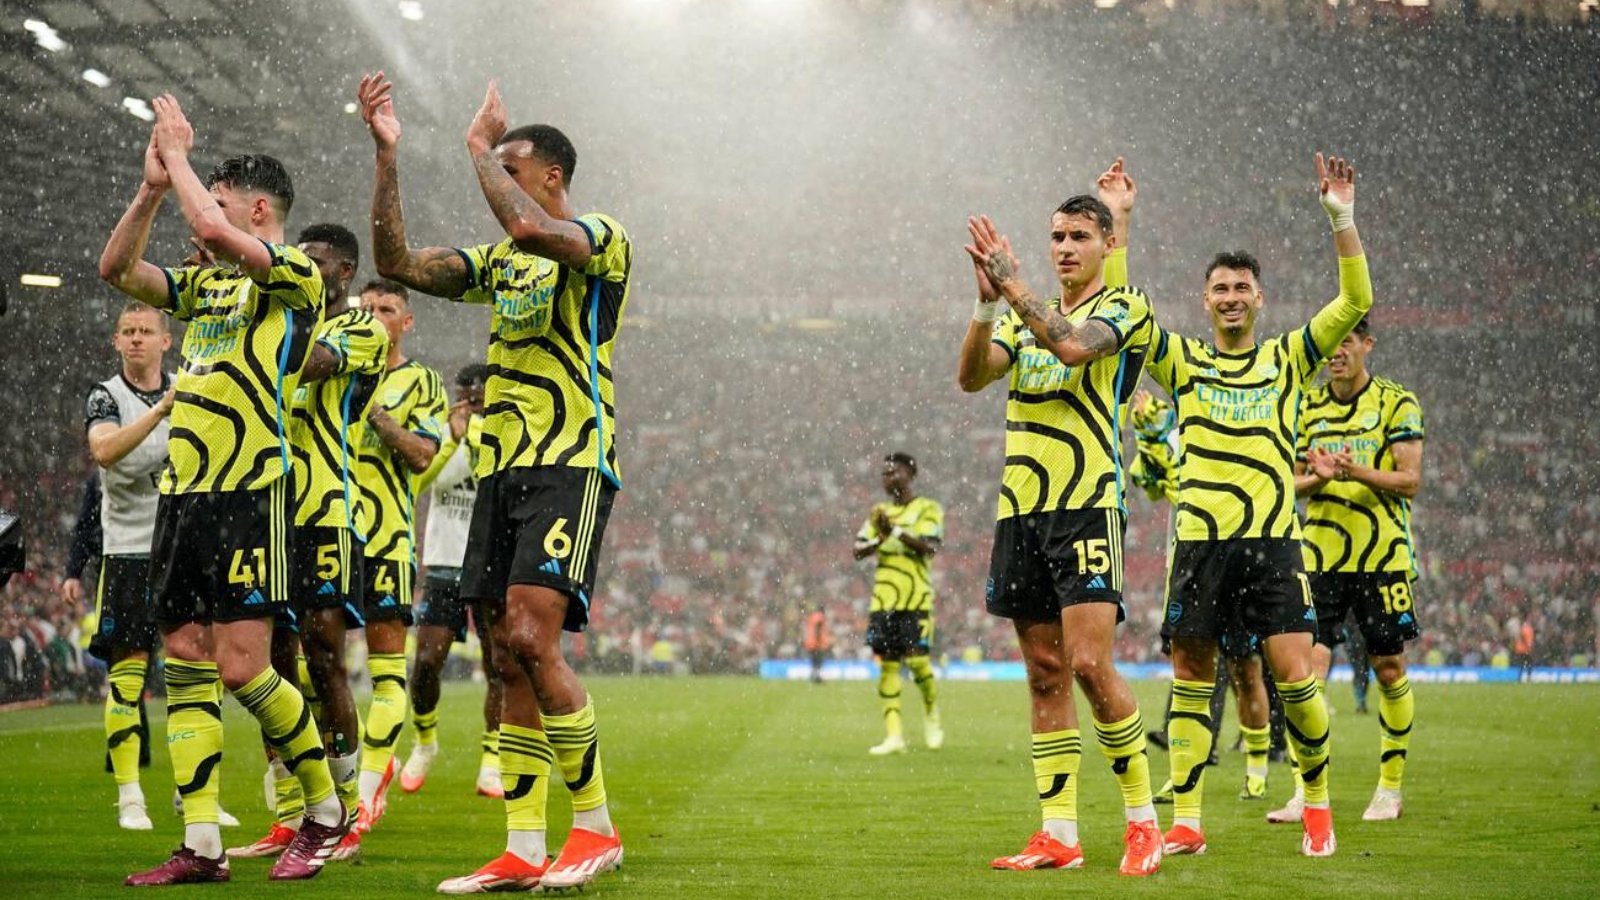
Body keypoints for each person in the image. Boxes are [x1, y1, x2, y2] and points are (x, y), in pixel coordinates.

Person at [358, 72, 633, 892]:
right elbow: (396, 261)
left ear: (551, 174)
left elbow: (525, 223)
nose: (496, 190)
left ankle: (595, 830)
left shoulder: (598, 239)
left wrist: (479, 146)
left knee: (531, 640)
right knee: (506, 659)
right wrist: (387, 158)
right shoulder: (502, 265)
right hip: (500, 473)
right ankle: (521, 845)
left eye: (511, 171)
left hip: (570, 461)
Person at [97, 95, 346, 884]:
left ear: (259, 208)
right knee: (182, 660)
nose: (207, 214)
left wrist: (177, 158)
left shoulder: (294, 276)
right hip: (182, 493)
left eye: (225, 197)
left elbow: (209, 228)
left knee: (244, 667)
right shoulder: (205, 290)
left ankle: (326, 811)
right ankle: (201, 843)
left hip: (249, 491)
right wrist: (149, 190)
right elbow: (115, 271)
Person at [1131, 153, 1371, 859]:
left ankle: (1319, 808)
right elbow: (1122, 317)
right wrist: (1120, 226)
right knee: (1189, 679)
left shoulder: (1289, 358)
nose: (1231, 296)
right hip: (1200, 545)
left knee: (1296, 676)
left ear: (1259, 299)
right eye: (1219, 288)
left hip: (1272, 544)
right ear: (1204, 301)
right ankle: (1187, 821)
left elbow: (1354, 302)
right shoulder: (1181, 362)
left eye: (1241, 287)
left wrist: (1342, 219)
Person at [958, 160, 1162, 877]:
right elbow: (973, 375)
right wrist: (988, 304)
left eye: (1078, 235)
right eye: (1056, 237)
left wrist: (1014, 285)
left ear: (1107, 243)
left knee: (1086, 662)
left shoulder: (1127, 308)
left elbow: (1072, 347)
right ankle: (1059, 835)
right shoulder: (1024, 308)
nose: (1065, 247)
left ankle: (1143, 822)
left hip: (1086, 505)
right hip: (1021, 509)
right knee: (1044, 671)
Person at [228, 223, 390, 860]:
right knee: (272, 664)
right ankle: (293, 813)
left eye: (314, 262)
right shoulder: (276, 317)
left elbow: (303, 362)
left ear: (344, 272)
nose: (302, 269)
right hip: (269, 507)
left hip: (324, 508)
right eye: (298, 260)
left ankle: (345, 813)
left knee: (325, 659)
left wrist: (250, 286)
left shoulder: (358, 331)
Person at [1276, 315, 1424, 824]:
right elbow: (1288, 484)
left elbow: (1410, 481)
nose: (1336, 352)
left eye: (1347, 342)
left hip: (1382, 557)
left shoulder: (1396, 402)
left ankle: (1390, 788)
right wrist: (1316, 478)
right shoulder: (1307, 404)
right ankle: (1306, 790)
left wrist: (1354, 469)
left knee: (1388, 668)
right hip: (1319, 559)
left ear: (1367, 345)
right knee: (1306, 670)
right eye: (1330, 345)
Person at [330, 276, 444, 861]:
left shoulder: (421, 381)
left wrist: (376, 416)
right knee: (316, 667)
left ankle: (369, 791)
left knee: (386, 675)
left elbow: (425, 454)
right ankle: (322, 795)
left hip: (385, 539)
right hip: (324, 531)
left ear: (406, 322)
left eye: (387, 309)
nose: (374, 315)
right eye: (367, 307)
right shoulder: (333, 365)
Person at [80, 301, 172, 831]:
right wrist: (162, 413)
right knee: (128, 680)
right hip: (130, 552)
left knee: (193, 674)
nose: (136, 339)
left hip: (180, 550)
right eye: (127, 332)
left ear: (166, 340)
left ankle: (193, 795)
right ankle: (130, 797)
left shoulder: (188, 386)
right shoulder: (104, 396)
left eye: (146, 331)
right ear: (117, 342)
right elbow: (107, 452)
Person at [400, 363, 506, 800]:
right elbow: (419, 484)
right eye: (465, 394)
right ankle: (425, 742)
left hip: (488, 561)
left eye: (478, 395)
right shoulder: (440, 432)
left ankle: (492, 762)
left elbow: (494, 480)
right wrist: (450, 439)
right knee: (426, 663)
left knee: (499, 664)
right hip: (445, 562)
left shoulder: (499, 433)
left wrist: (473, 434)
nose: (470, 402)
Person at [852, 452, 945, 754]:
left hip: (916, 597)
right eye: (884, 474)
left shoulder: (928, 508)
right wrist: (880, 538)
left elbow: (928, 548)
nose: (887, 478)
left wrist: (896, 532)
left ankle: (931, 712)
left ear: (910, 473)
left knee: (918, 663)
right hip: (884, 600)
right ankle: (894, 736)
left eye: (893, 472)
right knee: (888, 667)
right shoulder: (878, 512)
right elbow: (857, 549)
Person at [803, 604, 831, 684]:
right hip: (816, 643)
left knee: (814, 662)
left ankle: (814, 678)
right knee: (818, 661)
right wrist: (818, 641)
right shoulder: (820, 616)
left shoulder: (813, 616)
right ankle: (815, 678)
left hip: (811, 643)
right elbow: (817, 628)